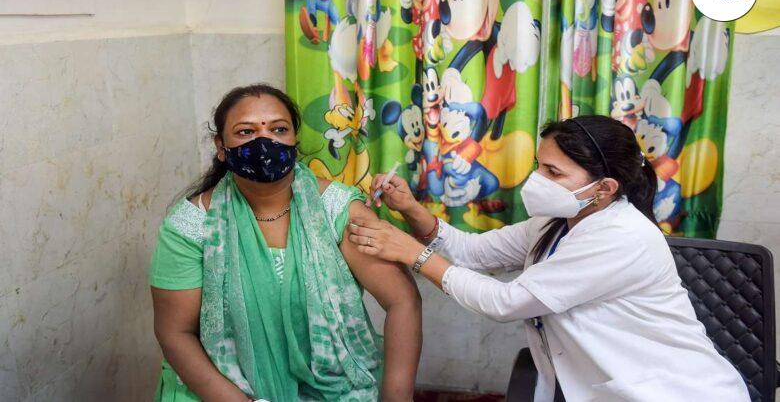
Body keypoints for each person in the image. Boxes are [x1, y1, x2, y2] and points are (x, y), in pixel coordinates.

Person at [349, 115, 749, 401]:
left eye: (554, 172)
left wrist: (414, 254)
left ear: (605, 188)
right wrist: (411, 209)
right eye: (539, 166)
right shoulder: (559, 221)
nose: (538, 180)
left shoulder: (621, 237)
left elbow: (506, 303)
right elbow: (474, 252)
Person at [149, 84, 422, 402]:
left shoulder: (336, 210)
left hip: (335, 388)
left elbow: (402, 301)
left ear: (294, 140)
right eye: (246, 131)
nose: (264, 142)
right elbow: (175, 333)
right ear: (221, 147)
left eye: (279, 129)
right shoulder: (192, 225)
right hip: (221, 388)